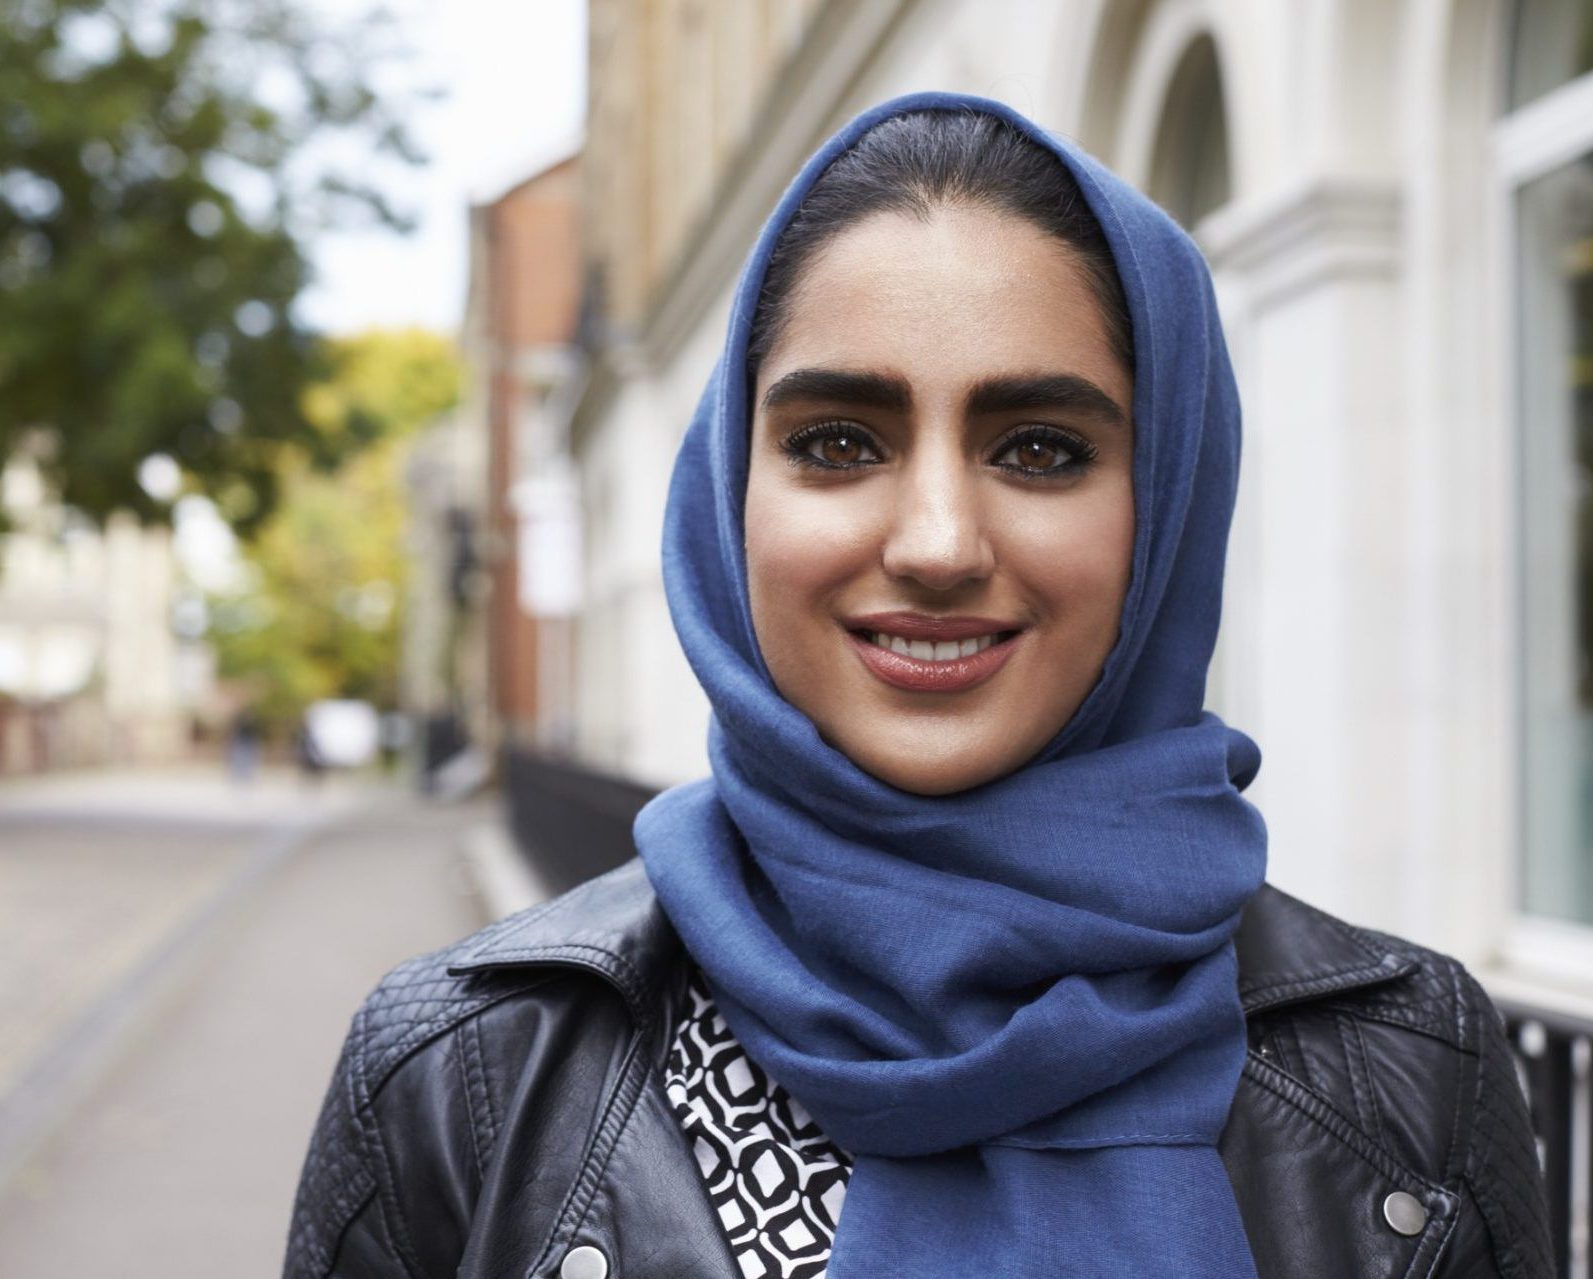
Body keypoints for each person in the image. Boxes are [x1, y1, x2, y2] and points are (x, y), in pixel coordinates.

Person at [282, 93, 1552, 1279]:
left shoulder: (1414, 1069)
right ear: (730, 494)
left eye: (1040, 449)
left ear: (1163, 505)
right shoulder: (462, 1075)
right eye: (839, 443)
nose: (938, 542)